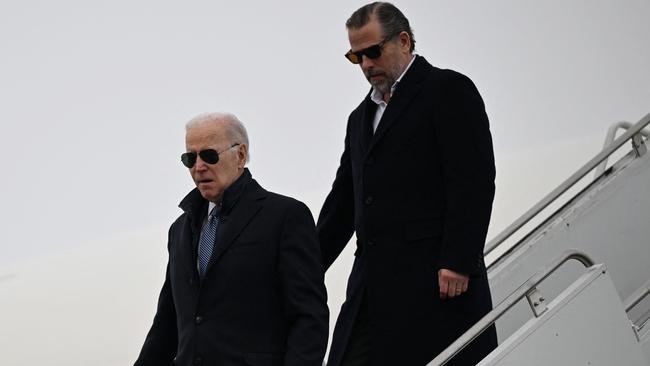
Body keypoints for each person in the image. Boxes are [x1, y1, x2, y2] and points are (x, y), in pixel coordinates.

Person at [318, 3, 497, 365]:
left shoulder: (448, 89)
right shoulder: (359, 118)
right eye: (357, 57)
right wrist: (303, 266)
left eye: (373, 52)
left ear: (403, 40)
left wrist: (459, 259)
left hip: (436, 283)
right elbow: (343, 202)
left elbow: (473, 179)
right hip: (371, 287)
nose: (367, 64)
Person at [135, 112, 329, 366]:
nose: (199, 167)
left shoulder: (284, 216)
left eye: (209, 155)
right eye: (190, 158)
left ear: (240, 155)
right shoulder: (179, 230)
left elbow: (308, 317)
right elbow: (167, 324)